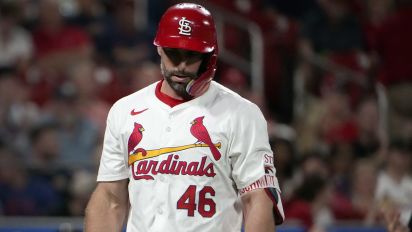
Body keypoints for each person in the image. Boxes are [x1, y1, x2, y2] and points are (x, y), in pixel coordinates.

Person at [85, 3, 284, 232]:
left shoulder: (241, 114)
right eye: (173, 53)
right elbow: (110, 197)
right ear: (159, 49)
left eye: (190, 56)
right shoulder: (125, 110)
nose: (180, 65)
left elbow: (258, 198)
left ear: (209, 56)